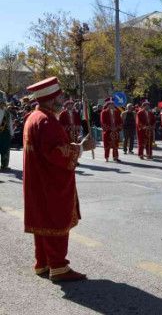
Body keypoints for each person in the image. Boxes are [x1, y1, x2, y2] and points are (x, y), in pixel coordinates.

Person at [23, 77, 96, 282]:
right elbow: (56, 153)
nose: (62, 99)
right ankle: (58, 266)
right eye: (59, 96)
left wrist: (74, 144)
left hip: (39, 180)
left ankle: (42, 262)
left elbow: (47, 148)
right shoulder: (46, 121)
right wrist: (82, 147)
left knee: (43, 220)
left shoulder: (34, 117)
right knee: (55, 219)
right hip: (50, 181)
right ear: (50, 99)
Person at [0, 97, 14, 170]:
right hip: (2, 133)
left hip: (5, 133)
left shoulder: (7, 113)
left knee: (5, 149)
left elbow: (10, 123)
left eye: (3, 103)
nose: (2, 104)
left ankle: (4, 165)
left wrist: (11, 133)